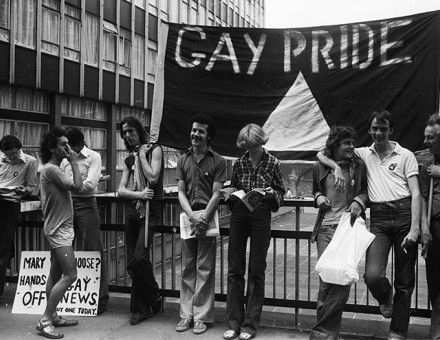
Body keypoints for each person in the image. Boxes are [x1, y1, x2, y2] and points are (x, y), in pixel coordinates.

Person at [317, 110, 421, 340]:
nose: (378, 133)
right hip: (381, 218)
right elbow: (321, 153)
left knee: (404, 280)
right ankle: (385, 297)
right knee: (372, 275)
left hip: (404, 214)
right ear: (370, 130)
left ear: (390, 130)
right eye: (374, 128)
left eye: (383, 128)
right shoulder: (363, 153)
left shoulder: (405, 155)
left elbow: (415, 193)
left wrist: (415, 228)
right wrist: (335, 167)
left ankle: (397, 331)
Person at [223, 124, 285, 340]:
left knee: (257, 269)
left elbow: (280, 192)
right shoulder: (239, 163)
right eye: (247, 147)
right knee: (235, 268)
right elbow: (234, 187)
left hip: (261, 213)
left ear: (261, 142)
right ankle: (233, 323)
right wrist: (232, 195)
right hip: (240, 213)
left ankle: (250, 325)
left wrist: (271, 195)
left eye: (254, 146)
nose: (251, 150)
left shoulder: (273, 162)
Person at [310, 126, 367, 340]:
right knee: (326, 281)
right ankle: (326, 333)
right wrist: (318, 198)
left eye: (353, 142)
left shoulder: (359, 166)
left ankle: (323, 333)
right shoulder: (320, 167)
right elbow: (315, 189)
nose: (352, 146)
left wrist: (358, 202)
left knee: (341, 281)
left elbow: (364, 191)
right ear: (335, 146)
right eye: (347, 143)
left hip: (347, 229)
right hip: (325, 229)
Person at [175, 114, 226, 335]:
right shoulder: (182, 159)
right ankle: (186, 315)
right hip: (189, 218)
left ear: (209, 136)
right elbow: (180, 191)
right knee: (187, 267)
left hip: (208, 217)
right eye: (194, 130)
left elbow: (217, 193)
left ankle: (201, 317)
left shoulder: (218, 161)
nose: (195, 134)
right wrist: (192, 216)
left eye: (200, 131)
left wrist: (203, 217)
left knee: (204, 268)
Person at [37, 127, 83, 339]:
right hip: (59, 231)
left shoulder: (51, 168)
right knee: (70, 275)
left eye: (68, 144)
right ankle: (45, 319)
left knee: (55, 274)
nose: (68, 147)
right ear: (52, 148)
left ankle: (53, 316)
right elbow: (77, 186)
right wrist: (74, 161)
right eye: (63, 144)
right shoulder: (53, 170)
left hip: (58, 228)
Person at [117, 116, 163, 325]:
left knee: (138, 259)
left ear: (139, 131)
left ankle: (142, 307)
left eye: (131, 131)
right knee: (133, 263)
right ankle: (150, 301)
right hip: (132, 213)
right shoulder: (128, 159)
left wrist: (143, 156)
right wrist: (138, 195)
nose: (127, 135)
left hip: (149, 213)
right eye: (124, 132)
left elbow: (153, 178)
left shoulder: (155, 150)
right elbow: (121, 190)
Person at [60, 127, 109, 314]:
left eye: (67, 145)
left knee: (93, 250)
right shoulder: (63, 159)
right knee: (63, 250)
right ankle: (67, 299)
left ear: (77, 145)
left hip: (85, 205)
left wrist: (66, 185)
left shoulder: (93, 157)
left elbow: (89, 186)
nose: (65, 149)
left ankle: (100, 300)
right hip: (65, 205)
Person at [0, 135, 38, 299]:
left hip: (10, 203)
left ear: (19, 149)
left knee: (2, 250)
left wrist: (25, 191)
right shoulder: (1, 158)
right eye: (8, 155)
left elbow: (31, 186)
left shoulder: (29, 161)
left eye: (14, 154)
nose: (11, 157)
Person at [417, 114, 440, 339]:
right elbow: (423, 198)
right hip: (436, 227)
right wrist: (424, 229)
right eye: (425, 137)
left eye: (431, 138)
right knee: (435, 278)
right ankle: (437, 328)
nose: (426, 142)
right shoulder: (426, 162)